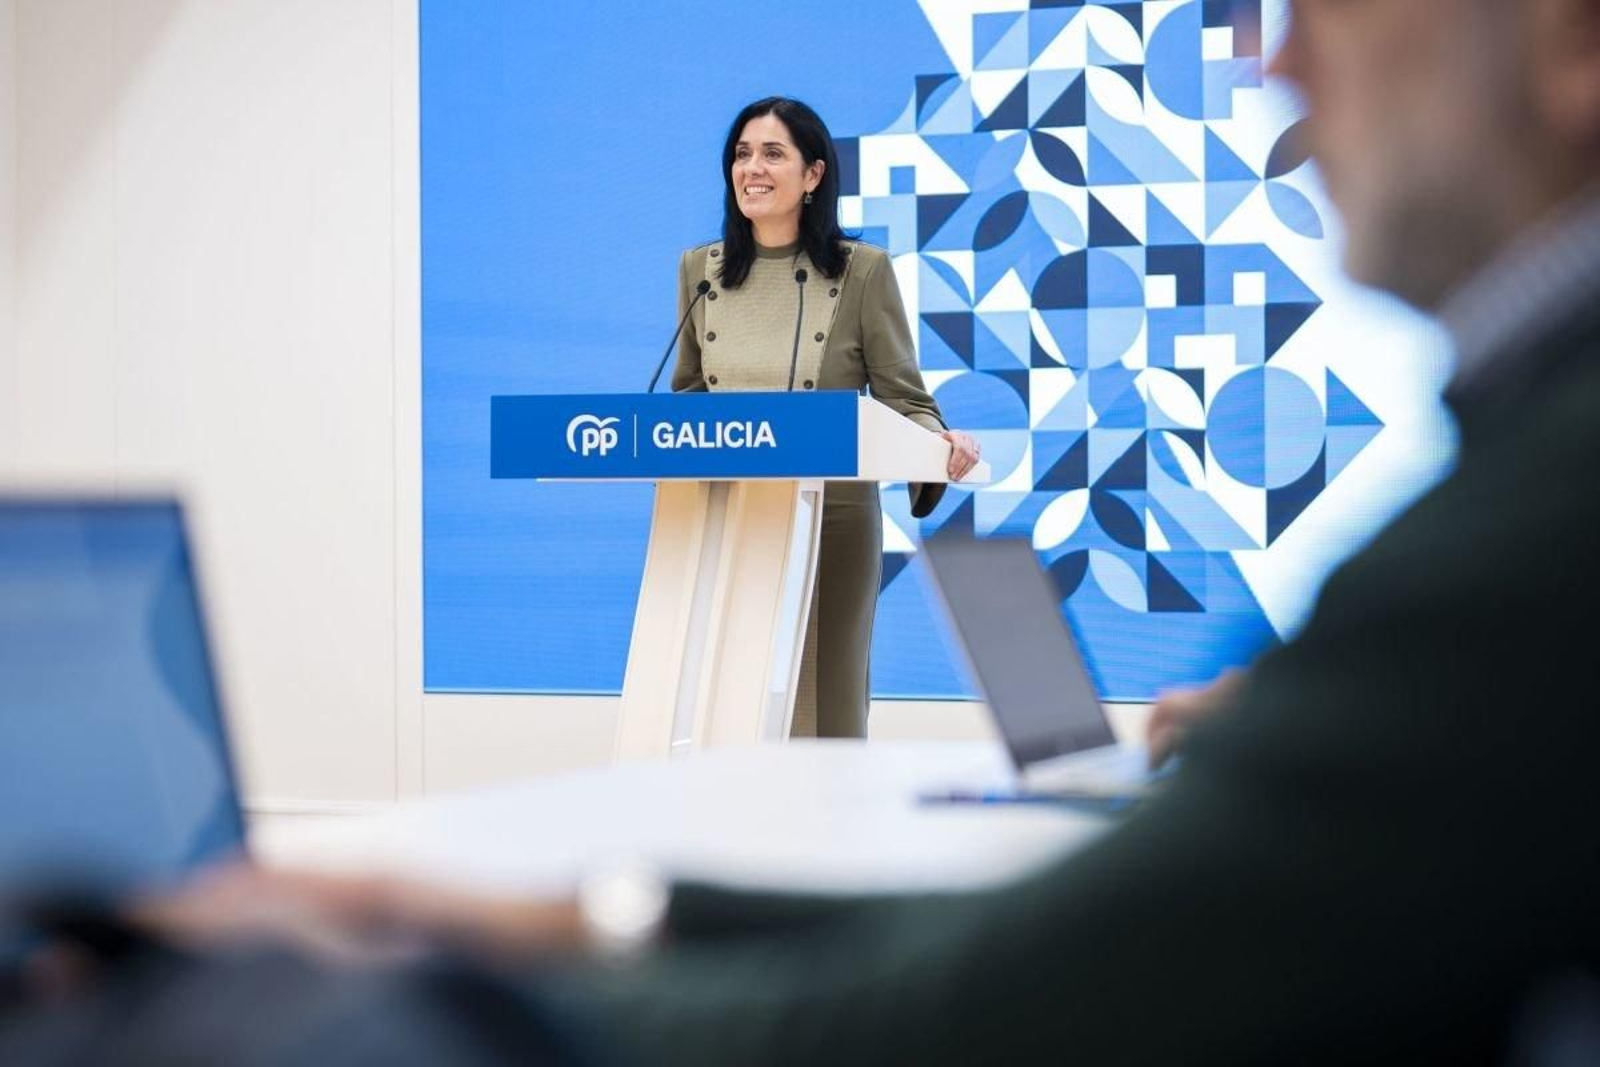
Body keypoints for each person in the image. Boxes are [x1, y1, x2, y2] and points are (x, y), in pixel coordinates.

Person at [7, 0, 1600, 1062]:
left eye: (1328, 7)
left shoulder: (867, 283)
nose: (1281, 67)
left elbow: (1030, 993)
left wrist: (451, 983)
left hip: (819, 548)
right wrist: (579, 913)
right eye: (742, 153)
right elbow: (675, 395)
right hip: (716, 532)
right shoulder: (705, 276)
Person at [669, 96, 981, 739]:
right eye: (742, 153)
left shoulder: (862, 271)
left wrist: (937, 442)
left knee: (827, 706)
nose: (752, 168)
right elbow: (690, 394)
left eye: (773, 153)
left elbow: (904, 397)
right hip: (730, 512)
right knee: (730, 705)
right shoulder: (700, 270)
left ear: (813, 175)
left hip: (831, 517)